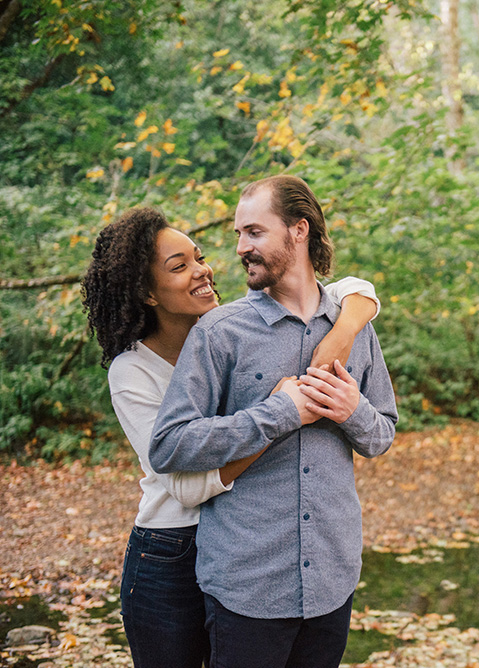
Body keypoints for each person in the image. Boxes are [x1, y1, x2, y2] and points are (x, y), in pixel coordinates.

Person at [80, 206, 380, 668]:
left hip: (247, 548)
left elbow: (350, 290)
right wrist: (284, 415)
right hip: (170, 550)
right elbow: (184, 484)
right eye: (179, 267)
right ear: (147, 293)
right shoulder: (133, 371)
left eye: (198, 257)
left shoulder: (232, 329)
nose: (202, 271)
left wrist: (345, 330)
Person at [148, 175, 397, 668]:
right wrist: (278, 413)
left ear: (299, 230)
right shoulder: (219, 332)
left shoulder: (354, 328)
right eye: (240, 234)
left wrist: (354, 412)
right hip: (247, 585)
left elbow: (382, 433)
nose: (241, 247)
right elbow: (168, 446)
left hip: (332, 579)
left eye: (255, 233)